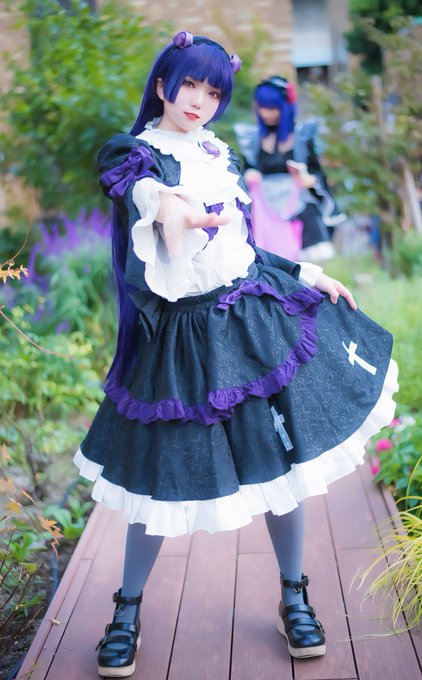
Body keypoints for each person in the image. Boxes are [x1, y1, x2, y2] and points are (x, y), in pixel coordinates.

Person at [73, 32, 398, 678]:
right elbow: (141, 193)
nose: (199, 100)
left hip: (249, 325)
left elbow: (243, 250)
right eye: (189, 85)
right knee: (159, 478)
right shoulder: (137, 153)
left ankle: (293, 597)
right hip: (180, 344)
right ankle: (126, 611)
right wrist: (170, 209)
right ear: (163, 85)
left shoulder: (219, 153)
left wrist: (308, 274)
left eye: (213, 91)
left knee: (282, 462)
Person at [234, 76, 347, 261]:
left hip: (298, 206)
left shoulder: (302, 136)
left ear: (285, 106)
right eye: (262, 107)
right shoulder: (253, 139)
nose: (266, 113)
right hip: (265, 210)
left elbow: (316, 171)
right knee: (269, 262)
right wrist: (249, 174)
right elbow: (248, 168)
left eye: (272, 108)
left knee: (306, 267)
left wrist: (308, 179)